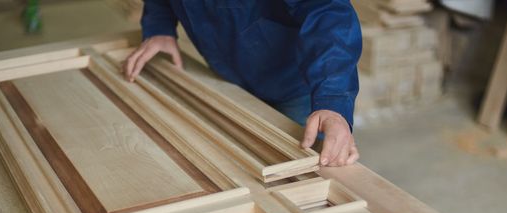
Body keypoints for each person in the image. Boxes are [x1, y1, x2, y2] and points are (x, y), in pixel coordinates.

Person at [124, 0, 362, 167]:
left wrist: (333, 100)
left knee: (310, 176)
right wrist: (160, 27)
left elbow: (327, 11)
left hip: (296, 85)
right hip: (230, 81)